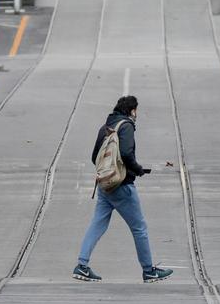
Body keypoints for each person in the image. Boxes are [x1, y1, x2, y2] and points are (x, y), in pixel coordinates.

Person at [72, 95, 173, 284]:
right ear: (132, 110)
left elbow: (95, 157)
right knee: (139, 228)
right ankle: (149, 270)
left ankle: (82, 265)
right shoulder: (126, 126)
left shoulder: (106, 127)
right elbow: (126, 153)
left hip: (105, 185)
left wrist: (107, 174)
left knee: (98, 223)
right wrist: (137, 170)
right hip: (122, 186)